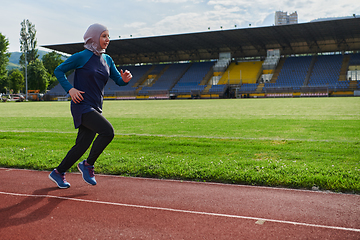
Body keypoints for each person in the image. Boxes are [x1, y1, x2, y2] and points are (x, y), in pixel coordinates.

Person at [49, 23, 132, 189]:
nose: (107, 39)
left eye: (108, 36)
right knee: (108, 132)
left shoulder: (107, 59)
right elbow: (59, 70)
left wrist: (125, 79)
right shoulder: (82, 56)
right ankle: (88, 164)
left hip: (95, 107)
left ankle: (58, 172)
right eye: (104, 36)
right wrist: (70, 89)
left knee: (81, 146)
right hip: (82, 105)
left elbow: (118, 80)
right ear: (94, 37)